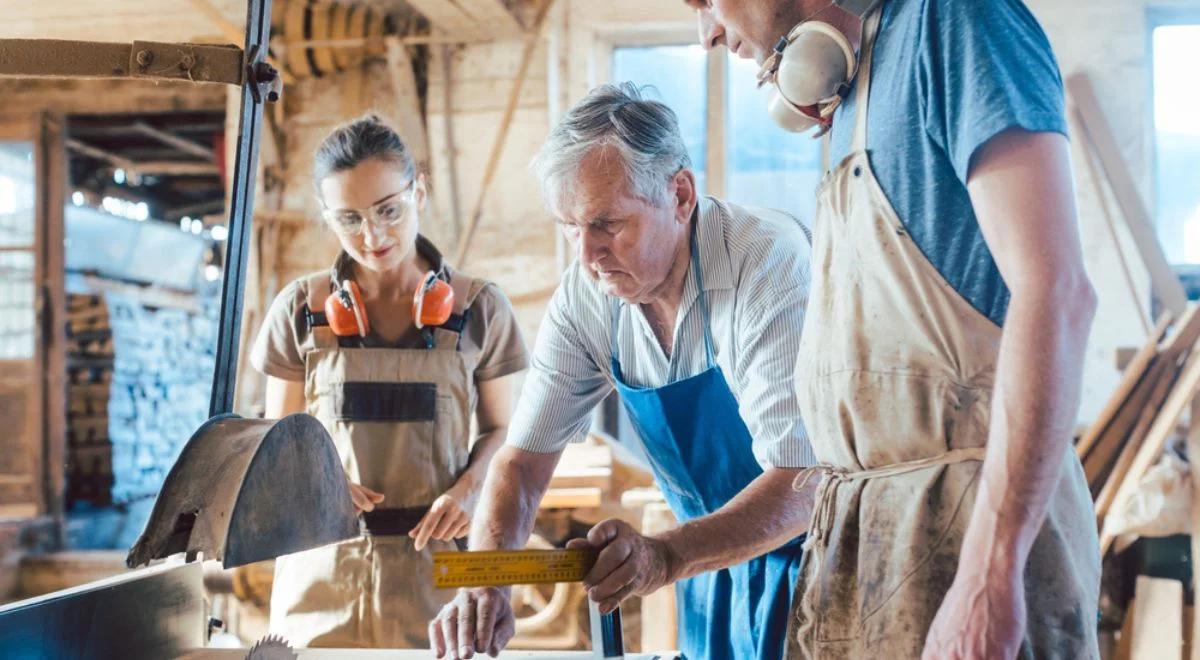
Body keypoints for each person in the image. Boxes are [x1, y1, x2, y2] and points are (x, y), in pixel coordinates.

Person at [689, 0, 1101, 657]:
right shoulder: (851, 85)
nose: (708, 32)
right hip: (867, 542)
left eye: (704, 1)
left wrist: (988, 580)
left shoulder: (957, 22)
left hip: (965, 533)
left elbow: (1058, 293)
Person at [429, 83, 816, 660]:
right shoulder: (587, 296)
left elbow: (804, 481)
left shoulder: (768, 265)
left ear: (679, 195)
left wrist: (666, 555)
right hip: (710, 569)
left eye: (607, 223)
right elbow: (523, 460)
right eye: (571, 227)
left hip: (814, 557)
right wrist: (485, 579)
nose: (587, 255)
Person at [249, 114, 529, 648]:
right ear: (327, 218)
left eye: (388, 211)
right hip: (322, 578)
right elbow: (275, 437)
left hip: (438, 582)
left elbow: (502, 432)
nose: (372, 236)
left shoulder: (478, 308)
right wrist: (320, 476)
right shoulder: (300, 311)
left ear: (418, 190)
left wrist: (470, 492)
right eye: (349, 219)